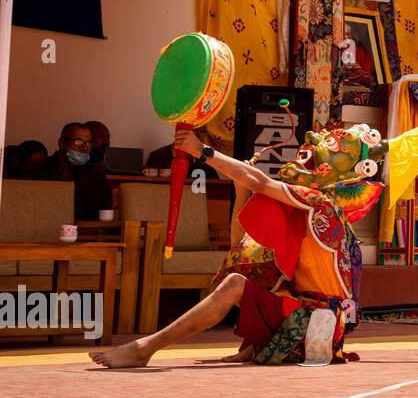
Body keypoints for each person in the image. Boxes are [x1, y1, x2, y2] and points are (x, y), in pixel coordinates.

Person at [91, 123, 390, 369]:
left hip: (317, 323)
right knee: (247, 275)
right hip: (305, 313)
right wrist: (239, 189)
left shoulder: (321, 205)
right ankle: (254, 345)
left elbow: (259, 180)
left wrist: (203, 151)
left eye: (333, 143)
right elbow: (242, 245)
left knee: (237, 284)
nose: (314, 138)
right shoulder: (303, 209)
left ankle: (146, 347)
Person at [45, 122, 111, 220]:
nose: (84, 147)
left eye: (89, 143)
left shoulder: (95, 174)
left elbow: (104, 208)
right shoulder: (43, 168)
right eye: (78, 141)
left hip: (86, 231)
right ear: (62, 144)